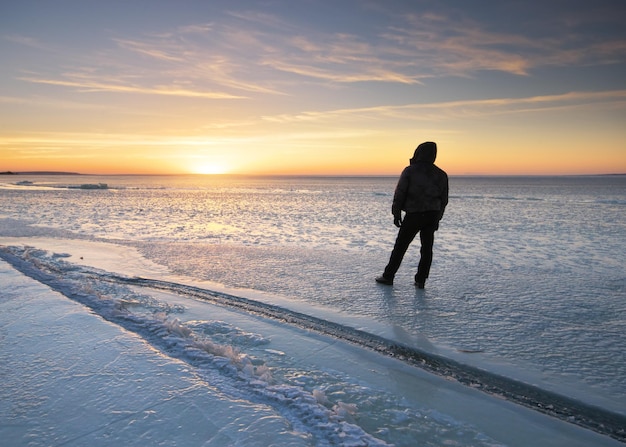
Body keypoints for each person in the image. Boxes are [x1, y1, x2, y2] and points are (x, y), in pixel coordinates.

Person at [376, 141, 448, 288]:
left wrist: (396, 213)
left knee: (401, 246)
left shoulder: (410, 171)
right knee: (427, 249)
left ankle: (388, 276)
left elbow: (400, 193)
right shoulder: (441, 174)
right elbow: (444, 199)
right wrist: (438, 216)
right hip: (432, 214)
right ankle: (421, 280)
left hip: (414, 214)